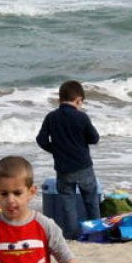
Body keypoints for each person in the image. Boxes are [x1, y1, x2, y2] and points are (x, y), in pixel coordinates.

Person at [35, 80, 101, 239]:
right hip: (83, 166)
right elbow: (94, 138)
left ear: (60, 100)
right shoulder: (81, 117)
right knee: (91, 200)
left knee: (68, 202)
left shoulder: (51, 117)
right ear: (78, 100)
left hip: (63, 168)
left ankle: (71, 234)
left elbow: (41, 140)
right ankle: (95, 232)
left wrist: (56, 150)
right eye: (81, 103)